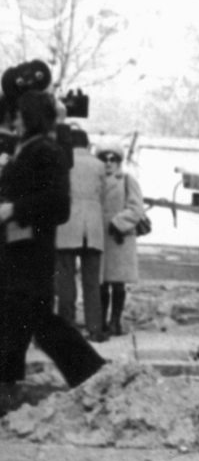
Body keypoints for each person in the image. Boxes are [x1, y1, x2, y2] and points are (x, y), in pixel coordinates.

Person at [0, 92, 106, 388]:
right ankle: (10, 387)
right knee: (19, 323)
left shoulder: (45, 151)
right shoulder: (27, 150)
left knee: (37, 323)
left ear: (33, 116)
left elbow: (58, 205)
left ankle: (94, 376)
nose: (15, 120)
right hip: (17, 252)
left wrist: (14, 209)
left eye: (20, 114)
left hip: (32, 254)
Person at [56, 125, 112, 341]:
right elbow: (104, 198)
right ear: (88, 145)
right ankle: (95, 328)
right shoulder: (99, 165)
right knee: (91, 281)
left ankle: (66, 327)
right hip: (92, 226)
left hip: (67, 223)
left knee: (65, 279)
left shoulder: (63, 163)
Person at [98, 147, 147, 337]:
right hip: (100, 236)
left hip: (120, 237)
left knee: (118, 283)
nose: (108, 162)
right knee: (101, 282)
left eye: (113, 159)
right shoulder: (96, 179)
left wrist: (118, 222)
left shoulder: (127, 180)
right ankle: (100, 321)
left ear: (119, 161)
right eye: (104, 158)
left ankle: (115, 322)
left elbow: (136, 208)